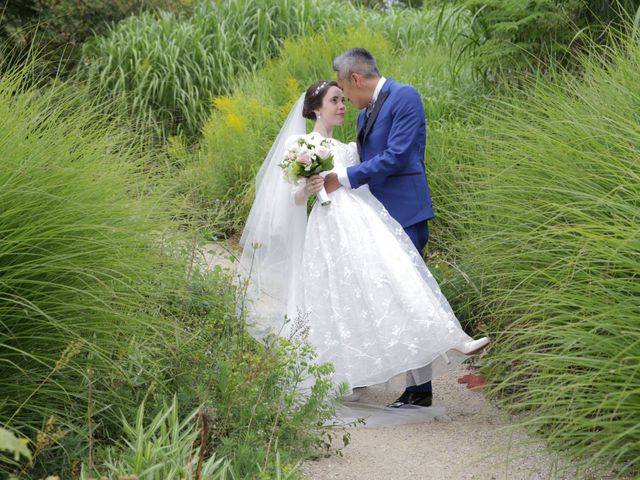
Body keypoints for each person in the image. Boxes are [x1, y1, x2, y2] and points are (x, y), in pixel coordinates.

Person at [237, 77, 488, 406]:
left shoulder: (349, 148)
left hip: (366, 222)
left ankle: (449, 336)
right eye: (334, 101)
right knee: (335, 299)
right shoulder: (300, 146)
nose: (342, 106)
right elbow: (293, 199)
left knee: (395, 277)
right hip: (329, 227)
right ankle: (345, 374)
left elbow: (366, 175)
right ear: (315, 109)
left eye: (343, 100)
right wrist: (308, 188)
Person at [322, 48, 488, 407]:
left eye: (344, 90)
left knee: (413, 293)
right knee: (395, 297)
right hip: (376, 217)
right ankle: (401, 382)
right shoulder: (366, 112)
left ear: (356, 79)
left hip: (404, 211)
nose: (347, 100)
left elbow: (397, 155)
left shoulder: (405, 97)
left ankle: (419, 389)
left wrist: (345, 176)